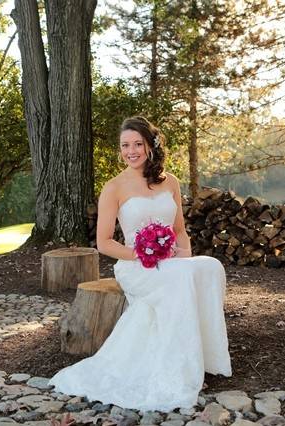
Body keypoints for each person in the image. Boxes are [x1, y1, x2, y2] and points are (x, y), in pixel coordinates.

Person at [48, 116, 232, 412]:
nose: (131, 151)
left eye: (137, 144)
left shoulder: (169, 181)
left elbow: (180, 231)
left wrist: (184, 253)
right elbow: (104, 242)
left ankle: (204, 357)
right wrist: (144, 254)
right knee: (179, 279)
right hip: (135, 264)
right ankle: (177, 367)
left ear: (150, 146)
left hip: (170, 260)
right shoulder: (114, 187)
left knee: (210, 266)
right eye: (125, 145)